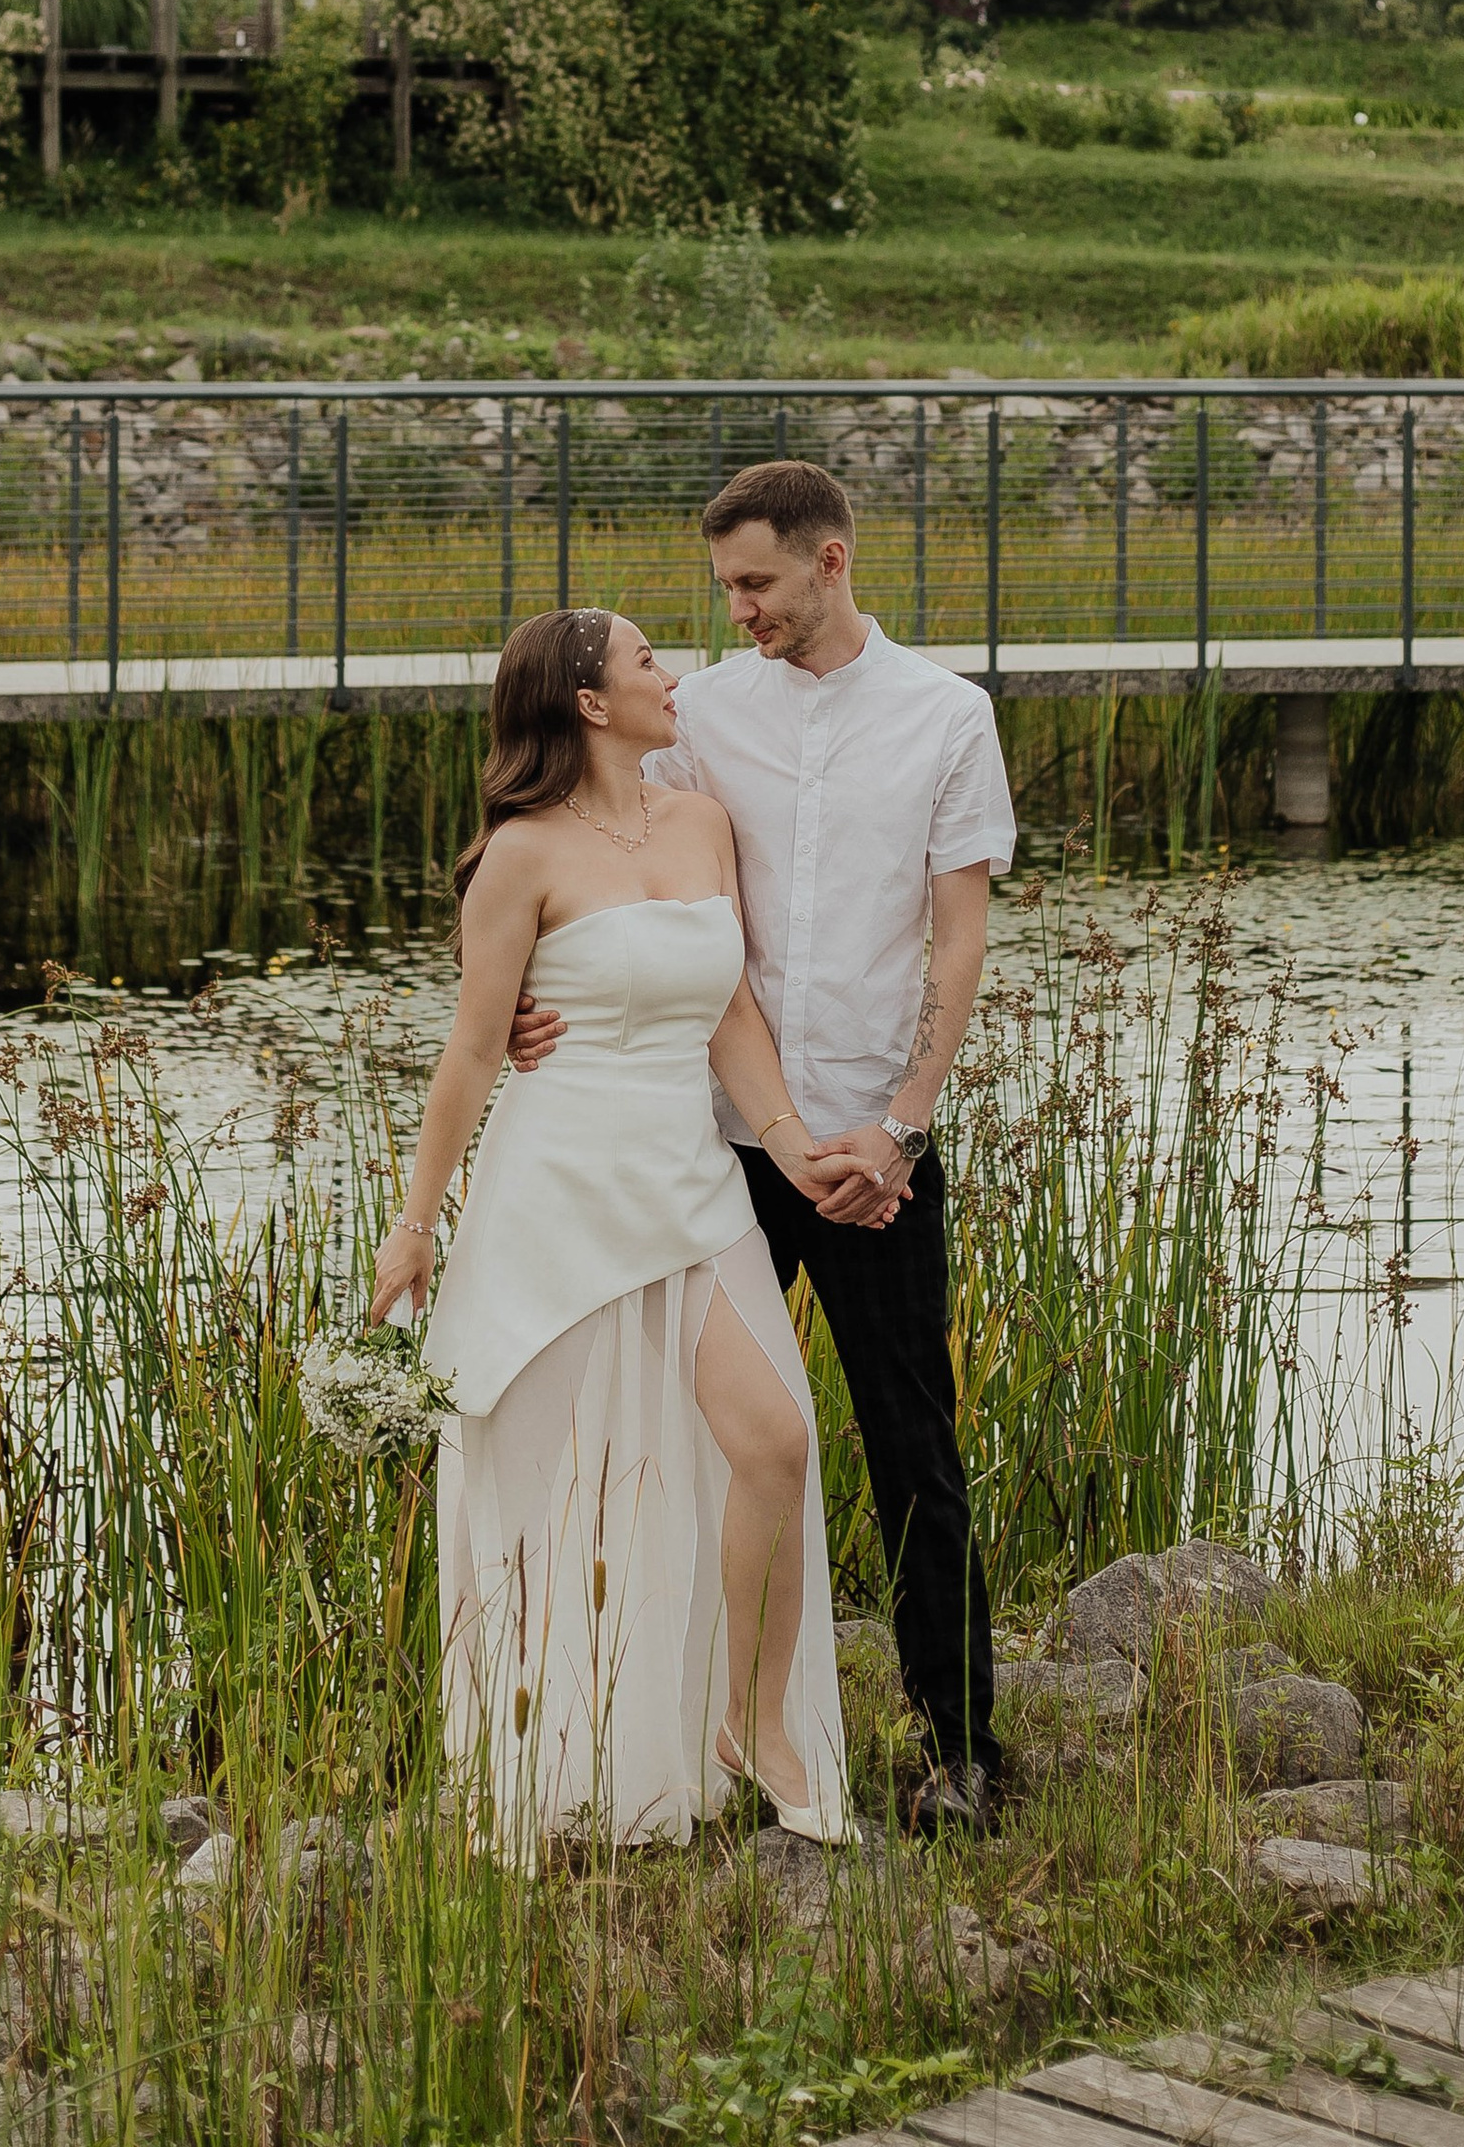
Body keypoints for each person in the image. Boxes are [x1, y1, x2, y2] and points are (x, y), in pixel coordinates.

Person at [512, 460, 1015, 1835]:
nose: (735, 610)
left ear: (832, 561)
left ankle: (961, 1751)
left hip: (871, 1151)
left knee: (915, 1444)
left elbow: (959, 936)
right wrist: (518, 1002)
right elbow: (583, 841)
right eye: (723, 586)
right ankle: (678, 1736)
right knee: (688, 1441)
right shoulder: (699, 718)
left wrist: (903, 1121)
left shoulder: (946, 718)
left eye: (757, 584)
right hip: (714, 1146)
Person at [370, 603, 890, 1858]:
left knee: (774, 1440)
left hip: (688, 1175)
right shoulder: (521, 854)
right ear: (592, 703)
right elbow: (473, 1045)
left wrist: (786, 1143)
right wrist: (413, 1222)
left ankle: (749, 1724)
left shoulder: (701, 821)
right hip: (557, 1183)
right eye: (649, 658)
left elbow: (730, 1018)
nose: (677, 673)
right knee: (551, 1486)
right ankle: (552, 1757)